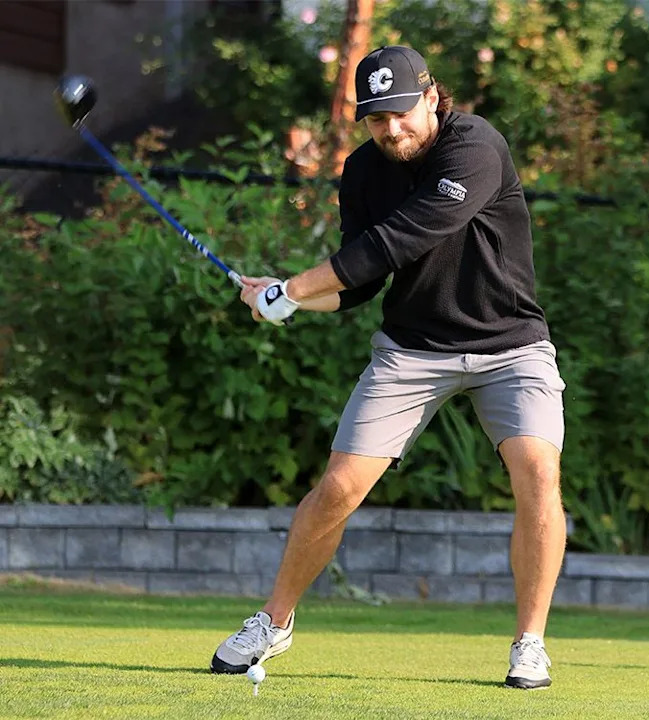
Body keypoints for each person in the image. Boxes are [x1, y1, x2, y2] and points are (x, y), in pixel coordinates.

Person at [210, 45, 567, 691]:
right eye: (378, 120)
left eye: (402, 112)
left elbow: (400, 240)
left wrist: (289, 288)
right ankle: (274, 622)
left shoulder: (476, 147)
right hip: (411, 350)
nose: (392, 129)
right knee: (339, 489)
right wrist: (285, 304)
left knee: (538, 470)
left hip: (511, 344)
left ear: (432, 98)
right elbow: (358, 283)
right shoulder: (364, 170)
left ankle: (530, 643)